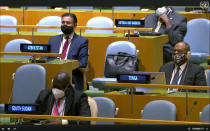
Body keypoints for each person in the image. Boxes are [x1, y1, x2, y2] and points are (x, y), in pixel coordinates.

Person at [47, 13, 88, 91]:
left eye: (68, 23)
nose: (65, 25)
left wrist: (64, 66)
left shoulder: (82, 41)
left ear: (75, 25)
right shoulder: (53, 40)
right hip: (53, 74)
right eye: (63, 22)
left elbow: (83, 63)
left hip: (72, 76)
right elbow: (46, 57)